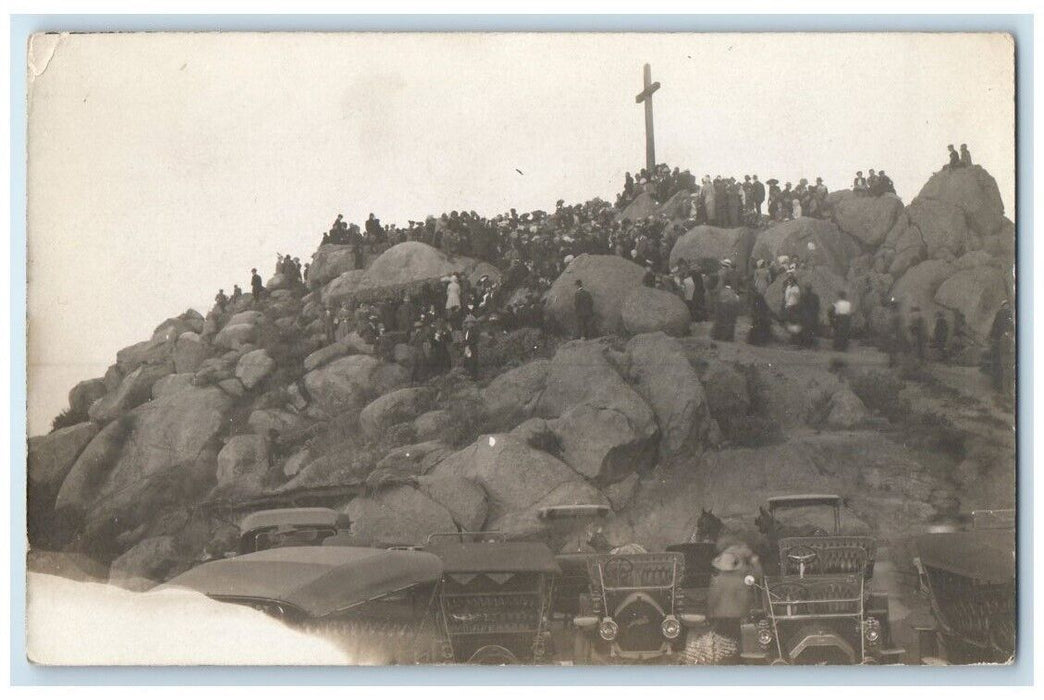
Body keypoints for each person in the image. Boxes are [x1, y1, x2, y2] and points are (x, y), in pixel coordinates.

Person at [798, 283, 820, 348]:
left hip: (805, 315)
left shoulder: (803, 296)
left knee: (805, 330)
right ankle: (812, 344)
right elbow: (818, 306)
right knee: (812, 330)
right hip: (813, 315)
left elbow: (800, 306)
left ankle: (805, 344)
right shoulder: (815, 296)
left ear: (805, 289)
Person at [462, 313, 481, 379]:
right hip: (472, 347)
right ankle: (473, 375)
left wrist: (466, 346)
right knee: (472, 361)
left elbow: (466, 340)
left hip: (470, 347)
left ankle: (473, 375)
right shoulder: (473, 330)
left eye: (469, 323)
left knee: (472, 361)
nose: (468, 324)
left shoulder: (470, 331)